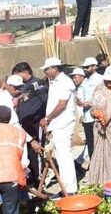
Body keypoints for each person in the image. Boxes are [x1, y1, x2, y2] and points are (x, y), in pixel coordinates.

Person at [38, 57, 78, 195]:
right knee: (61, 156)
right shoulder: (54, 81)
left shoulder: (64, 82)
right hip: (57, 123)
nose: (45, 72)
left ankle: (70, 189)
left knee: (64, 155)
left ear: (55, 68)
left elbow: (62, 104)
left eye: (47, 69)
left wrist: (48, 118)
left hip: (63, 123)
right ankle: (66, 187)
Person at [8, 63, 47, 191]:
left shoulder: (38, 84)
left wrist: (44, 117)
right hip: (23, 124)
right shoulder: (22, 88)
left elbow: (45, 101)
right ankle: (32, 175)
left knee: (37, 150)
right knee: (28, 152)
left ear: (24, 72)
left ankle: (40, 179)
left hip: (36, 123)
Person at [86, 65, 111, 184]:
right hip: (100, 125)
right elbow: (93, 106)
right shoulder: (100, 88)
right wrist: (96, 113)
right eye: (107, 80)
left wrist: (109, 117)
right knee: (99, 153)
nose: (109, 82)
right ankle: (99, 183)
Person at [76, 57, 102, 162]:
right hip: (87, 117)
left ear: (94, 67)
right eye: (84, 67)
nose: (85, 69)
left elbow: (103, 97)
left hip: (96, 117)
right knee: (90, 144)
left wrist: (92, 103)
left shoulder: (100, 79)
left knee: (98, 144)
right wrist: (81, 103)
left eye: (87, 67)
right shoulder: (86, 81)